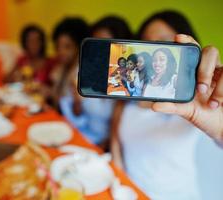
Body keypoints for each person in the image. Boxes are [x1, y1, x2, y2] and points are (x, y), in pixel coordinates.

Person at [110, 10, 223, 200]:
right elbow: (117, 151)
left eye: (164, 44)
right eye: (147, 44)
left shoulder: (196, 103)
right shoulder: (126, 102)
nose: (154, 54)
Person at [53, 16, 132, 147]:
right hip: (80, 138)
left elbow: (117, 135)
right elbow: (78, 116)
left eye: (107, 45)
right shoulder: (86, 72)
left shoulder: (128, 82)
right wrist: (77, 102)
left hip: (102, 148)